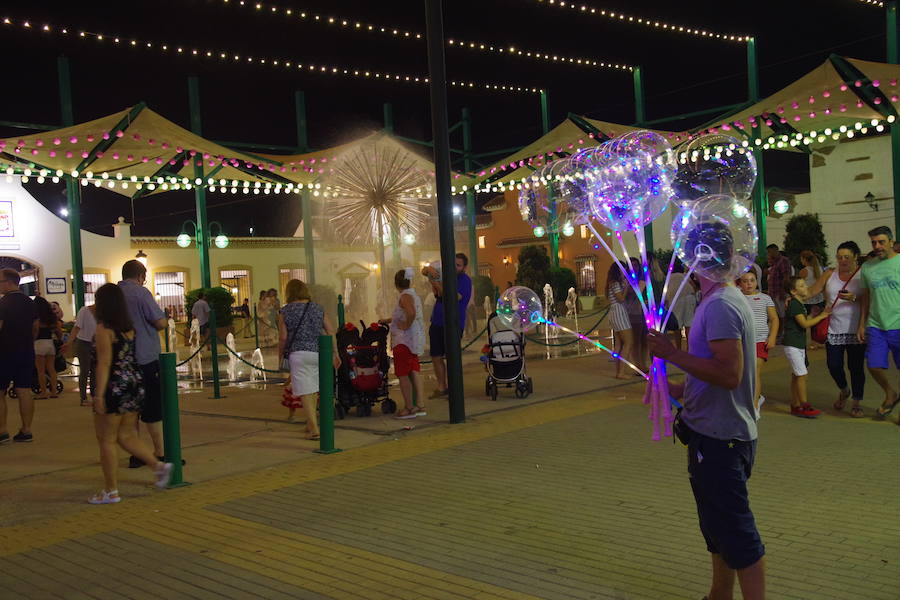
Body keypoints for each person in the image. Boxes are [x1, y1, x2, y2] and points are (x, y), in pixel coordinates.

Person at [646, 242, 765, 600]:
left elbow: (729, 374)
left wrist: (672, 354)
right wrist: (676, 388)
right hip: (711, 434)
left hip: (721, 440)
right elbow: (714, 375)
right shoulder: (715, 301)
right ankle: (719, 594)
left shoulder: (722, 304)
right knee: (718, 530)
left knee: (738, 534)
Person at [89, 283, 172, 504]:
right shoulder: (129, 328)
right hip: (134, 383)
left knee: (106, 439)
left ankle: (111, 490)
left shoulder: (103, 329)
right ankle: (159, 466)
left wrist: (98, 394)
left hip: (113, 386)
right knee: (126, 435)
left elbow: (104, 363)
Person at [806, 241, 867, 417]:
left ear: (856, 257)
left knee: (856, 367)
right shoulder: (829, 274)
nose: (843, 260)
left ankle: (856, 402)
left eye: (847, 257)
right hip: (834, 328)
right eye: (840, 257)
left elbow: (870, 301)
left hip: (856, 328)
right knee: (833, 365)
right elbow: (811, 291)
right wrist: (794, 295)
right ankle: (844, 389)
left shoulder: (863, 275)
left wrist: (854, 298)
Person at [118, 260, 168, 467]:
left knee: (131, 411)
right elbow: (159, 322)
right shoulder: (141, 293)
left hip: (122, 361)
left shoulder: (113, 294)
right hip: (146, 357)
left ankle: (136, 454)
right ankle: (159, 452)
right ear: (140, 276)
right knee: (152, 408)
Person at [277, 279, 339, 440]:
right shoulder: (317, 308)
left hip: (298, 354)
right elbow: (331, 330)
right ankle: (310, 423)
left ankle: (314, 429)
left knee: (304, 391)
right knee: (312, 389)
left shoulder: (285, 311)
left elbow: (283, 338)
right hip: (319, 353)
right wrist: (335, 353)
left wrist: (281, 357)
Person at [857, 226, 900, 421]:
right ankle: (890, 393)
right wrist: (861, 324)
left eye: (881, 242)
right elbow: (866, 297)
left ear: (891, 242)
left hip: (898, 324)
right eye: (874, 242)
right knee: (874, 365)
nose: (877, 246)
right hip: (876, 325)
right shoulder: (867, 267)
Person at [423, 253, 473, 397]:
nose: (455, 267)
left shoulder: (464, 280)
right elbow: (424, 271)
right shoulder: (444, 275)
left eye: (458, 265)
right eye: (453, 264)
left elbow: (453, 297)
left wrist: (435, 284)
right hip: (437, 320)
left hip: (453, 322)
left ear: (464, 267)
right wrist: (429, 269)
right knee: (436, 355)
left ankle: (454, 388)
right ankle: (441, 386)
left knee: (452, 357)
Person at [380, 268, 426, 419]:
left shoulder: (405, 296)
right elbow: (405, 314)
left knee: (402, 374)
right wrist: (388, 320)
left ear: (396, 283)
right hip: (413, 340)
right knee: (414, 371)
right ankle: (420, 405)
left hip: (404, 341)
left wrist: (406, 325)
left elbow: (411, 313)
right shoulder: (412, 294)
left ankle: (409, 407)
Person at [783, 275, 831, 418]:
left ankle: (795, 404)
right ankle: (804, 405)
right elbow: (804, 324)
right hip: (793, 344)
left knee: (796, 375)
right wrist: (821, 316)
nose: (806, 288)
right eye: (802, 286)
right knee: (802, 374)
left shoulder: (798, 303)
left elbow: (804, 320)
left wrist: (812, 315)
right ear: (793, 291)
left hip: (797, 344)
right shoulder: (795, 304)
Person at [0, 269, 38, 443]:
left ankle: (2, 431)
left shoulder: (3, 303)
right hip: (26, 351)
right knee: (24, 390)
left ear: (8, 282)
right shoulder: (30, 303)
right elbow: (35, 327)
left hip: (4, 352)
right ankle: (27, 430)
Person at [737, 270, 778, 418]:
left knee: (755, 371)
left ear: (757, 281)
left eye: (752, 280)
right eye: (745, 281)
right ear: (739, 283)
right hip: (741, 341)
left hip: (760, 340)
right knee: (743, 373)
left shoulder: (765, 298)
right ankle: (754, 398)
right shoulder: (737, 298)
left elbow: (774, 318)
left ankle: (754, 406)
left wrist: (772, 337)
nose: (749, 284)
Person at [62, 304, 98, 407]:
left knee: (95, 371)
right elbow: (76, 328)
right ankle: (83, 398)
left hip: (96, 344)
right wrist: (69, 343)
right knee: (85, 370)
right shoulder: (84, 311)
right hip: (83, 343)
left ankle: (94, 396)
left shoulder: (103, 312)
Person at [605, 261, 634, 379]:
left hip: (615, 312)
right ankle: (621, 372)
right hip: (619, 312)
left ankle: (619, 371)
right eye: (623, 269)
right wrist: (626, 287)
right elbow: (621, 298)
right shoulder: (616, 283)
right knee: (628, 342)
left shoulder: (611, 283)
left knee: (620, 343)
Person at [32, 296, 62, 399]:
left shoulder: (36, 318)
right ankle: (54, 392)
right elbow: (59, 332)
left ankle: (43, 392)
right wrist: (59, 339)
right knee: (51, 369)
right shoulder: (52, 317)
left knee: (41, 371)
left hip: (39, 344)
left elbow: (35, 331)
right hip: (50, 344)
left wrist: (32, 341)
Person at [666, 259, 698, 351]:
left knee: (677, 326)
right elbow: (694, 287)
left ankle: (678, 348)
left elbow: (666, 293)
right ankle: (689, 348)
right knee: (689, 324)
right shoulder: (684, 276)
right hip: (689, 298)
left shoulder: (669, 278)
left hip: (675, 301)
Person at [799, 250, 825, 349]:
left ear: (804, 259)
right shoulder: (820, 269)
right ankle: (817, 340)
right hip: (819, 298)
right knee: (817, 320)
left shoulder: (804, 271)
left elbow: (799, 284)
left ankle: (806, 341)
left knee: (804, 321)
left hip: (807, 299)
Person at [765, 244, 791, 338]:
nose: (768, 254)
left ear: (775, 250)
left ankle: (782, 334)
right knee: (776, 315)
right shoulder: (775, 262)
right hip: (773, 293)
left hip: (780, 293)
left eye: (769, 252)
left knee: (782, 315)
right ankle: (778, 334)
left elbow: (786, 277)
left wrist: (783, 292)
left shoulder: (783, 261)